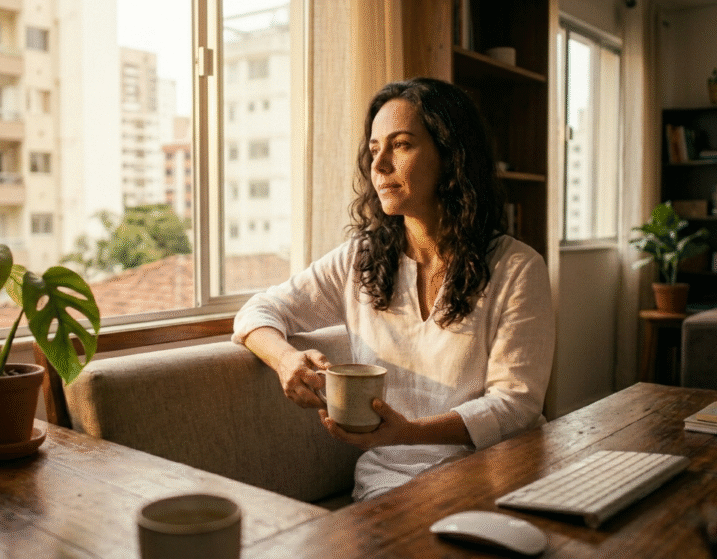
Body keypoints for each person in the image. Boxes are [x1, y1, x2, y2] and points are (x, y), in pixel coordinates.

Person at [232, 77, 554, 501]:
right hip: (388, 486)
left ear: (452, 156)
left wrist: (409, 432)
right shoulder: (359, 260)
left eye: (401, 145)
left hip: (491, 475)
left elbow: (516, 404)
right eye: (374, 149)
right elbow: (258, 310)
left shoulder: (516, 268)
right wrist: (286, 359)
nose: (379, 165)